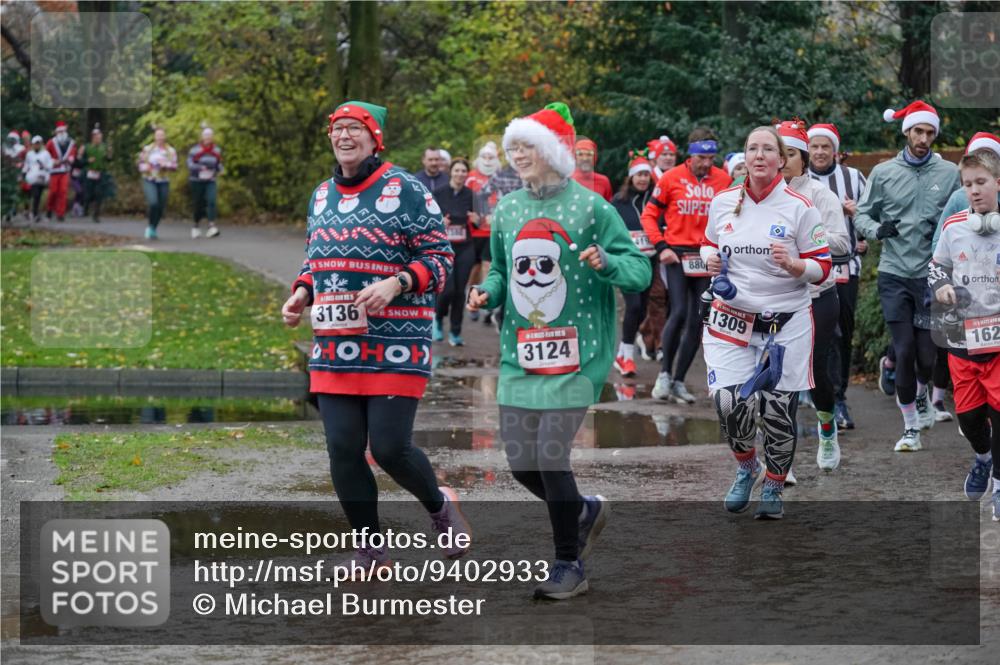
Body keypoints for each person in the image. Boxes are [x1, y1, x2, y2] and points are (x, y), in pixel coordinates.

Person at [467, 102, 651, 599]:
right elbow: (503, 270)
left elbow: (640, 271)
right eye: (513, 148)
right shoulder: (506, 209)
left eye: (527, 146)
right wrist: (490, 290)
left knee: (550, 459)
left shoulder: (593, 207)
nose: (517, 155)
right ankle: (583, 511)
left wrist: (607, 261)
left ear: (551, 151)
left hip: (580, 354)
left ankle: (569, 564)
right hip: (521, 355)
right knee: (522, 464)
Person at [282, 100, 466, 574]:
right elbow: (315, 258)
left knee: (389, 449)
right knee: (343, 448)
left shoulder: (406, 189)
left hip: (396, 342)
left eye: (354, 129)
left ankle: (439, 504)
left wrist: (397, 282)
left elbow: (441, 257)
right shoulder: (320, 195)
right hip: (335, 342)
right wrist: (302, 292)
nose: (344, 136)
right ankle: (369, 548)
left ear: (374, 138)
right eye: (337, 129)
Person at [702, 125, 831, 519]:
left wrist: (795, 265)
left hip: (785, 324)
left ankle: (774, 484)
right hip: (730, 321)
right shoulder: (723, 202)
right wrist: (710, 258)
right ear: (744, 156)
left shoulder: (798, 207)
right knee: (728, 403)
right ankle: (746, 466)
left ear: (781, 159)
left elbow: (823, 267)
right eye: (751, 148)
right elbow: (709, 242)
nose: (758, 155)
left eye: (767, 150)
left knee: (777, 412)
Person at [855, 101, 961, 452]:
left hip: (931, 275)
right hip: (894, 273)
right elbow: (861, 215)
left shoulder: (948, 173)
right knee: (904, 350)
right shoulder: (884, 173)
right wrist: (877, 229)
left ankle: (922, 398)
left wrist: (947, 228)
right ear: (906, 132)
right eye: (919, 131)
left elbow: (963, 211)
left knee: (927, 358)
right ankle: (910, 428)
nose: (924, 138)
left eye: (930, 133)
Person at [928, 148, 1000, 518]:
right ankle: (983, 457)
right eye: (967, 184)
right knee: (970, 418)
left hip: (999, 340)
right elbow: (936, 267)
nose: (973, 190)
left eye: (981, 182)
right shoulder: (954, 226)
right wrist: (941, 285)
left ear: (997, 183)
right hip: (961, 340)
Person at [641, 126, 732, 403]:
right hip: (676, 253)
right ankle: (664, 374)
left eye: (711, 158)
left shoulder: (724, 180)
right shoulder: (671, 178)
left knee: (698, 319)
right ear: (690, 156)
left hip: (706, 254)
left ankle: (679, 380)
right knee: (678, 311)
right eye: (701, 158)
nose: (706, 164)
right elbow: (649, 214)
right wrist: (661, 247)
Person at [779, 120, 851, 471]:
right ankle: (782, 459)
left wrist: (805, 242)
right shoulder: (758, 194)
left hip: (817, 297)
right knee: (779, 377)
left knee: (815, 372)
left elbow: (842, 243)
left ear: (804, 158)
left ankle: (826, 427)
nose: (781, 160)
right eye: (778, 153)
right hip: (774, 298)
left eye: (789, 153)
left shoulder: (821, 195)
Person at [808, 122, 868, 431]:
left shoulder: (853, 178)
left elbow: (871, 214)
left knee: (842, 331)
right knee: (818, 334)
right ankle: (815, 389)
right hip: (805, 269)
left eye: (825, 147)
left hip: (846, 265)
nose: (819, 152)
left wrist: (861, 226)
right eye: (814, 146)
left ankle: (839, 396)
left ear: (835, 150)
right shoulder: (796, 180)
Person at [612, 152, 656, 377]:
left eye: (646, 175)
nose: (643, 179)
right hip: (627, 262)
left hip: (650, 261)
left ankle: (622, 352)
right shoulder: (618, 201)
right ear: (631, 177)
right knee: (634, 306)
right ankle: (627, 357)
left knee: (641, 310)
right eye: (639, 175)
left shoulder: (656, 198)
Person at [433, 157, 480, 346]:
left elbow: (480, 220)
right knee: (447, 289)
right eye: (457, 170)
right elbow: (429, 218)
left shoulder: (471, 195)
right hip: (445, 247)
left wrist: (476, 219)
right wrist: (439, 221)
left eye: (463, 171)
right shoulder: (438, 192)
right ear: (450, 172)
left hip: (465, 247)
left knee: (460, 291)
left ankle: (455, 331)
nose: (460, 174)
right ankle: (437, 320)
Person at [465, 141, 502, 322]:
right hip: (473, 230)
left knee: (488, 265)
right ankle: (471, 293)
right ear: (479, 158)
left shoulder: (501, 177)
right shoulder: (471, 176)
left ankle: (484, 298)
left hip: (492, 230)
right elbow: (465, 198)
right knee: (475, 266)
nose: (487, 161)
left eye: (491, 157)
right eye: (485, 157)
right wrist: (470, 216)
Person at [137, 127, 178, 235]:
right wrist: (148, 167)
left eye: (162, 135)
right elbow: (140, 165)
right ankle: (150, 226)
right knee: (153, 203)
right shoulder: (147, 149)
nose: (160, 138)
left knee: (161, 206)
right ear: (154, 137)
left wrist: (166, 165)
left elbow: (174, 166)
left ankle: (153, 227)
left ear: (165, 137)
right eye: (158, 135)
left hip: (163, 180)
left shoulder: (170, 151)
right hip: (150, 179)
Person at [187, 126, 223, 239]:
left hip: (210, 180)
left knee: (212, 200)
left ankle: (211, 226)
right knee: (199, 203)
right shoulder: (194, 150)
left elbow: (218, 164)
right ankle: (196, 226)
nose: (208, 137)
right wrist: (201, 168)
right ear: (202, 137)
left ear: (212, 137)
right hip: (197, 180)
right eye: (206, 135)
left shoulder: (216, 150)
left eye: (210, 135)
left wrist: (220, 169)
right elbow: (190, 164)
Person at [77, 124, 111, 224]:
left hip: (100, 173)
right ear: (93, 138)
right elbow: (79, 161)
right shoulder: (86, 147)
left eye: (100, 138)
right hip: (89, 173)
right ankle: (85, 208)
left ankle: (96, 214)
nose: (99, 140)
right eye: (97, 138)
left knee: (99, 194)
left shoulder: (104, 147)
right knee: (88, 194)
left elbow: (109, 159)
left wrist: (109, 154)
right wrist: (87, 160)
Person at [44, 121, 76, 221]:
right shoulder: (51, 142)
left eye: (63, 131)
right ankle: (49, 209)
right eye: (60, 132)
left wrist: (70, 159)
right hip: (54, 170)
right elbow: (45, 155)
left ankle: (60, 213)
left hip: (65, 170)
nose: (61, 133)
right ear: (57, 132)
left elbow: (72, 154)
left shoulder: (71, 142)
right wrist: (54, 161)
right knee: (53, 192)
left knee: (63, 192)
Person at [23, 136, 53, 223]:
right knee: (30, 195)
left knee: (37, 196)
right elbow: (26, 165)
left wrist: (44, 167)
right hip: (31, 178)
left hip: (41, 178)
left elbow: (50, 165)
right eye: (35, 144)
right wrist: (23, 175)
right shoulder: (29, 154)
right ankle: (30, 211)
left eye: (38, 144)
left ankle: (35, 213)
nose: (37, 145)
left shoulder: (46, 154)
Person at [2, 131, 26, 222]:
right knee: (6, 193)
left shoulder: (21, 149)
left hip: (17, 174)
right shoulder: (4, 148)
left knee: (14, 193)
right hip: (6, 174)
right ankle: (6, 211)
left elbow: (24, 161)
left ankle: (12, 211)